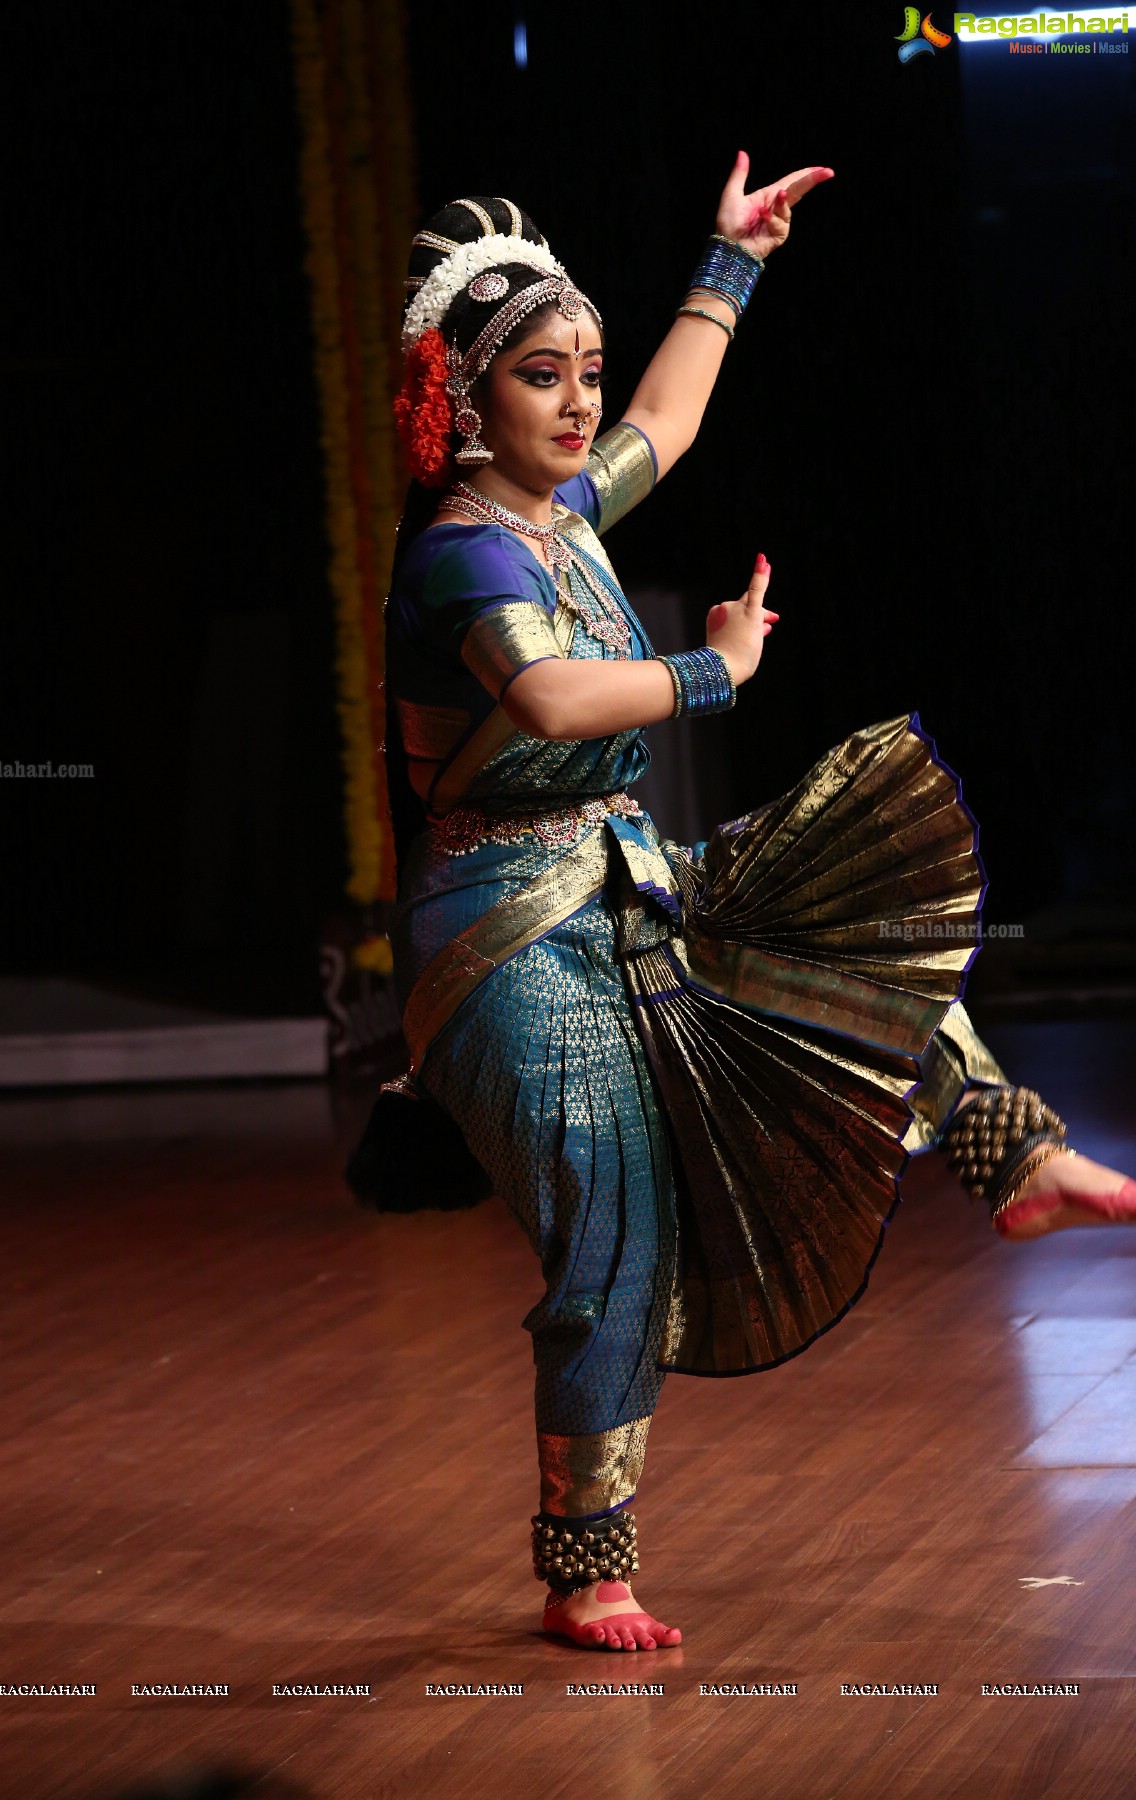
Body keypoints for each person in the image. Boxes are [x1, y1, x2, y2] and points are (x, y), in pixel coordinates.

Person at [372, 159, 1136, 1653]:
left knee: (836, 924)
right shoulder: (464, 546)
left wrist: (730, 267)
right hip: (498, 931)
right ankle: (589, 1564)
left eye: (585, 371)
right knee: (613, 1216)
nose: (582, 404)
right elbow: (545, 692)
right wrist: (716, 669)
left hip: (617, 870)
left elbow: (669, 421)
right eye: (544, 378)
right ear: (467, 395)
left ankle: (1011, 1161)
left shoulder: (562, 510)